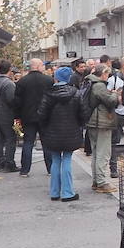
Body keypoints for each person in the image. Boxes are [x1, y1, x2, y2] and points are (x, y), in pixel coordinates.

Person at [37, 66, 85, 202]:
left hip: (52, 133)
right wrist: (78, 125)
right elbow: (83, 114)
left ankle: (54, 191)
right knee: (67, 159)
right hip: (71, 132)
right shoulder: (76, 93)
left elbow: (41, 114)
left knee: (56, 159)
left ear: (56, 78)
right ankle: (67, 192)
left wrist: (45, 128)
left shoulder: (48, 94)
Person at [13, 57, 52, 176]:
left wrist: (17, 116)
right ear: (38, 66)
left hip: (27, 116)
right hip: (45, 116)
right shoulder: (48, 80)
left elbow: (17, 102)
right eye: (42, 65)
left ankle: (25, 170)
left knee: (28, 142)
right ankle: (50, 168)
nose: (44, 67)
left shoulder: (22, 82)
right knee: (47, 143)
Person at [85, 64, 119, 193]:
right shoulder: (99, 85)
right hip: (100, 121)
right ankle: (101, 182)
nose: (108, 76)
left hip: (93, 121)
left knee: (96, 152)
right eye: (107, 74)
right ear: (103, 73)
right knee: (103, 153)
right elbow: (110, 101)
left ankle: (96, 181)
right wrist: (115, 95)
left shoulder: (90, 82)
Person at [0, 60, 18, 171]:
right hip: (6, 114)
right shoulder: (8, 84)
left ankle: (0, 162)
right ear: (10, 70)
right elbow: (12, 100)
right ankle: (9, 163)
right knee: (10, 139)